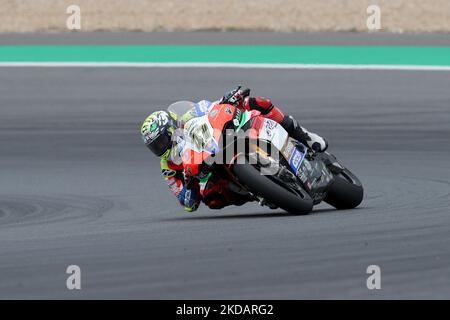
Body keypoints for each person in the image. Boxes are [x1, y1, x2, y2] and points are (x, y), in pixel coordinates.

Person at [141, 86, 327, 212]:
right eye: (155, 146)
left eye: (161, 140)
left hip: (224, 138)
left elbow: (210, 108)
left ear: (171, 128)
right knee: (212, 199)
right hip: (211, 167)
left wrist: (229, 98)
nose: (160, 147)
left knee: (254, 103)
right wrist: (190, 187)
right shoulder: (168, 166)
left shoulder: (188, 117)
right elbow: (187, 204)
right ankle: (258, 191)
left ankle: (304, 135)